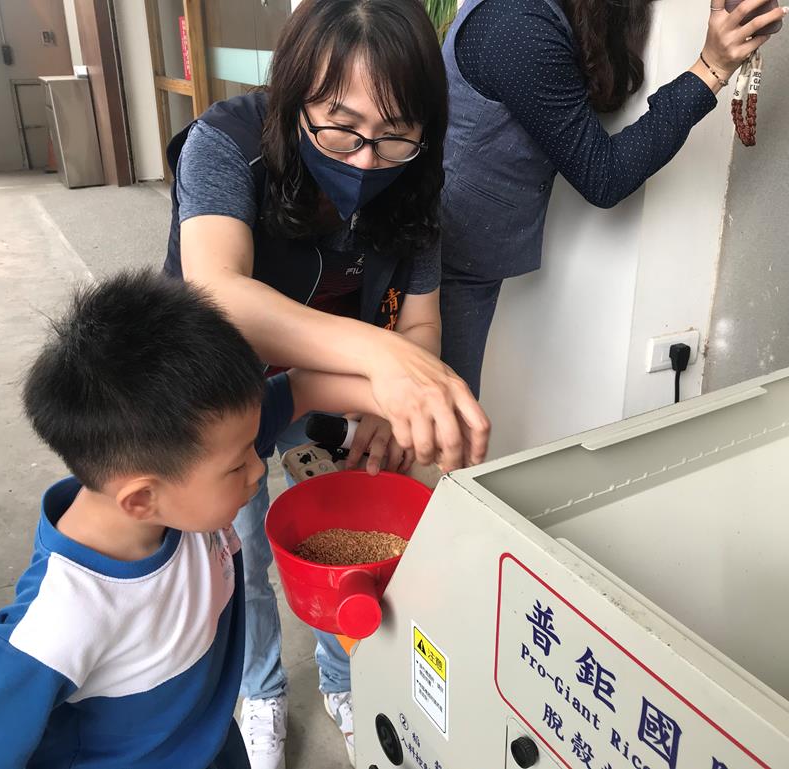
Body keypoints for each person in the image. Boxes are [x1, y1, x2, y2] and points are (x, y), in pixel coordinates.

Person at [163, 1, 490, 766]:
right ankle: (260, 688)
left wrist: (388, 398)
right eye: (340, 128)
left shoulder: (416, 178)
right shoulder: (225, 145)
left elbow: (418, 323)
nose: (367, 160)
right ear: (292, 99)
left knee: (338, 546)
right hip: (222, 391)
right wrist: (380, 363)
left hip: (331, 389)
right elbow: (218, 292)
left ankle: (346, 677)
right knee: (240, 549)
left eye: (395, 132)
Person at [0, 271, 402, 769]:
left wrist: (407, 398)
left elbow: (302, 388)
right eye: (239, 464)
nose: (259, 468)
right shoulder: (57, 622)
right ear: (140, 499)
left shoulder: (185, 473)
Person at [439, 0, 789, 395]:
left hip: (465, 252)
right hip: (443, 252)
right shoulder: (519, 25)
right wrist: (711, 68)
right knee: (443, 414)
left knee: (444, 412)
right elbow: (604, 177)